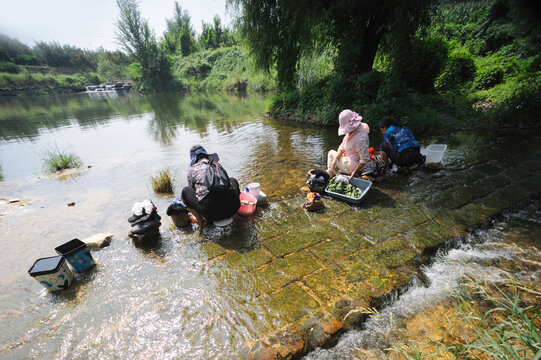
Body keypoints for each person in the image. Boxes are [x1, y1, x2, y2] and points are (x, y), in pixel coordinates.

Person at [181, 145, 240, 225]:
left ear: (193, 158)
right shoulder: (216, 164)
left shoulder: (191, 170)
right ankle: (235, 216)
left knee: (185, 191)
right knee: (233, 180)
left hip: (210, 213)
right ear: (206, 154)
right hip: (233, 207)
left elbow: (193, 190)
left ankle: (201, 222)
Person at [327, 109, 370, 179]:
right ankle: (333, 170)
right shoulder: (353, 130)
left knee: (331, 153)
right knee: (334, 156)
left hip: (354, 166)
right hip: (352, 161)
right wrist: (335, 158)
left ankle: (330, 173)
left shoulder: (360, 138)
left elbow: (365, 159)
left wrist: (354, 173)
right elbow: (342, 146)